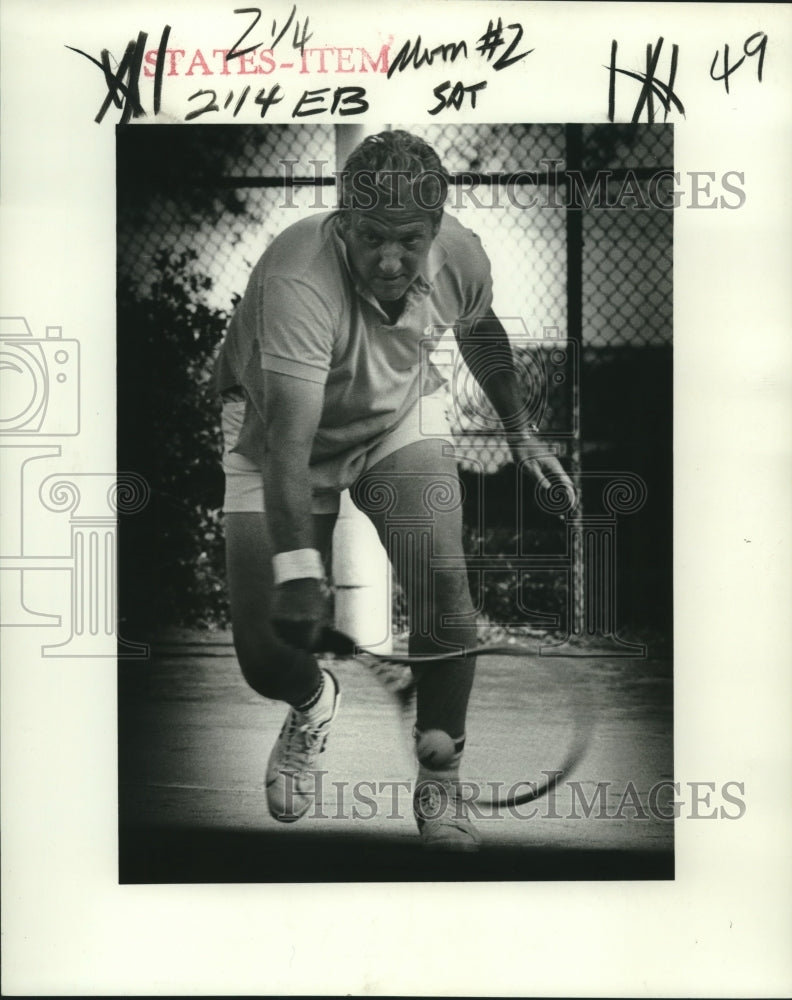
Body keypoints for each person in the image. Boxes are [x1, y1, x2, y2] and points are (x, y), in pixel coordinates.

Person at [212, 129, 574, 852]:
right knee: (264, 655)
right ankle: (313, 701)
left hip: (394, 420)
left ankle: (442, 782)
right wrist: (298, 570)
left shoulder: (461, 256)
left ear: (435, 232)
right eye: (370, 236)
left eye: (407, 241)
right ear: (342, 223)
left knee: (444, 584)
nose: (388, 258)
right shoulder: (298, 282)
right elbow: (289, 446)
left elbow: (480, 328)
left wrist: (518, 429)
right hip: (276, 438)